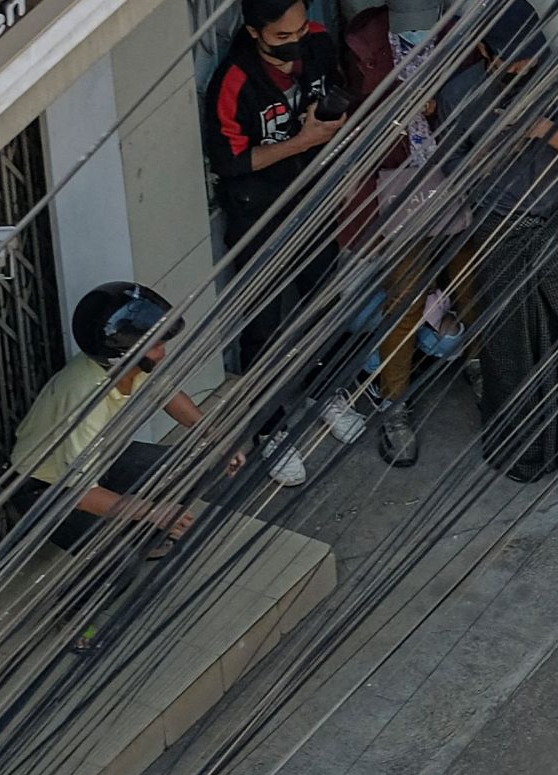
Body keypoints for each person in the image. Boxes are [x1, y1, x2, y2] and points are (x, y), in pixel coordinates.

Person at [436, 0, 558, 482]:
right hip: (498, 223)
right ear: (485, 51)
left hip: (555, 213)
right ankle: (524, 453)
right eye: (514, 61)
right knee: (509, 341)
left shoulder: (556, 77)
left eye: (529, 60)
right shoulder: (461, 92)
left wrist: (541, 129)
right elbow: (452, 164)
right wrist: (494, 149)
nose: (523, 68)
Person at [203, 0, 363, 485]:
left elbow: (336, 89)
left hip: (314, 199)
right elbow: (230, 163)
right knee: (263, 324)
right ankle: (271, 429)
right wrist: (305, 140)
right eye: (280, 37)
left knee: (323, 302)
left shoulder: (315, 41)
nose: (293, 42)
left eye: (298, 30)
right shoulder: (233, 81)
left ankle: (326, 391)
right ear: (254, 32)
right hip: (260, 213)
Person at [333, 0, 475, 465]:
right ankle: (395, 405)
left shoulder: (460, 37)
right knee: (404, 296)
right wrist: (401, 111)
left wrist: (442, 102)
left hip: (457, 174)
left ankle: (479, 366)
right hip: (398, 184)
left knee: (469, 279)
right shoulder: (366, 46)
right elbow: (357, 125)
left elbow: (481, 97)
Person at [10, 283, 244, 560]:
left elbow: (168, 395)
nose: (163, 353)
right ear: (125, 351)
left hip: (104, 460)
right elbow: (81, 495)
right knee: (120, 565)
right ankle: (105, 572)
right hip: (48, 489)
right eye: (157, 346)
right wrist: (151, 510)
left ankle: (147, 535)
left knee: (196, 465)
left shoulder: (128, 366)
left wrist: (215, 437)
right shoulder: (85, 399)